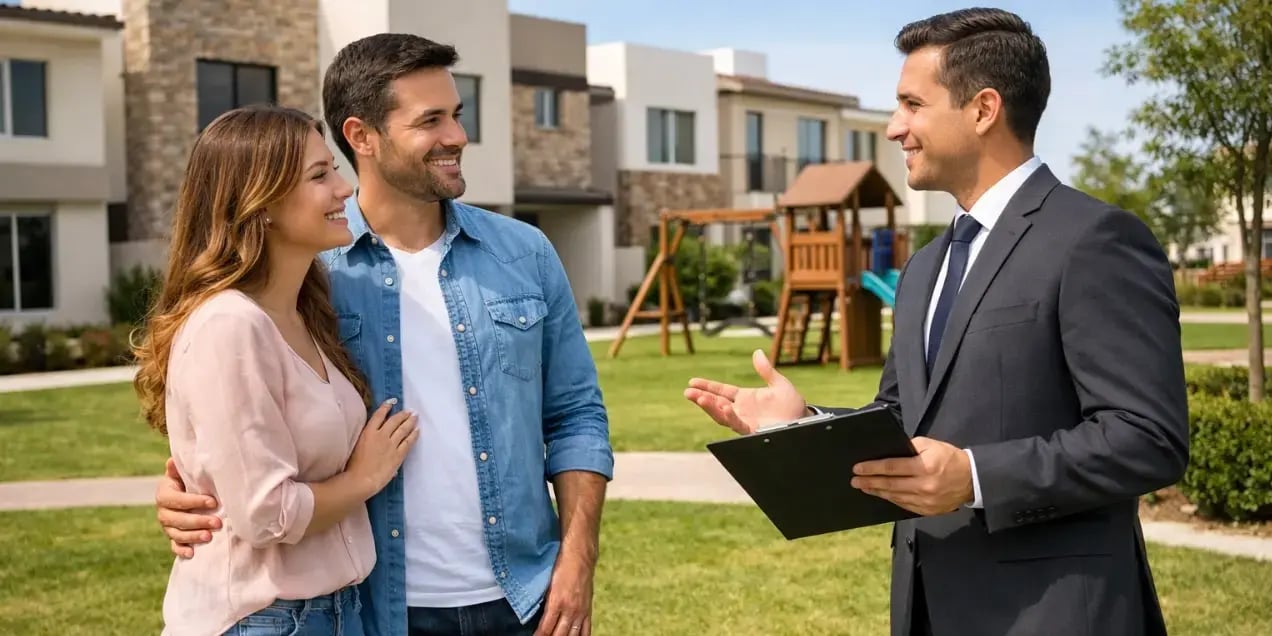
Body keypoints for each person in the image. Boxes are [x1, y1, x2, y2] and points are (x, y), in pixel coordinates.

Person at [685, 8, 1187, 636]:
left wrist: (974, 477)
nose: (896, 128)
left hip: (1055, 612)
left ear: (982, 109)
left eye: (911, 105)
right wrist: (803, 425)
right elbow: (903, 425)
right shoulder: (924, 268)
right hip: (928, 608)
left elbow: (1148, 438)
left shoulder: (1094, 241)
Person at [151, 34, 614, 636]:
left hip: (524, 598)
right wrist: (186, 496)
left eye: (457, 114)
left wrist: (577, 561)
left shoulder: (523, 253)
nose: (457, 137)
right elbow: (239, 438)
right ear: (361, 137)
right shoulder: (307, 271)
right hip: (374, 610)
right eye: (431, 120)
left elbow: (576, 415)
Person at [132, 104, 420, 635]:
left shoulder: (302, 313)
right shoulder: (229, 325)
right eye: (320, 175)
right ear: (259, 203)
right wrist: (365, 477)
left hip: (332, 613)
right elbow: (265, 513)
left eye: (334, 169)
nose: (343, 189)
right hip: (263, 621)